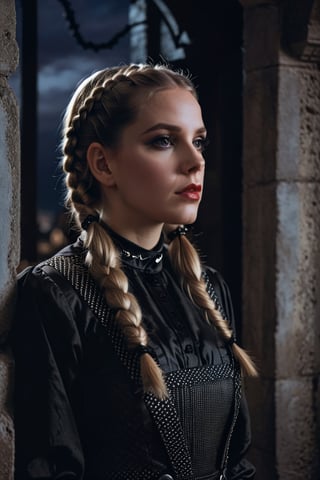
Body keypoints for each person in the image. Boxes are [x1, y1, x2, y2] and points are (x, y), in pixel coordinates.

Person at [11, 63, 257, 480]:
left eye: (199, 142)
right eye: (163, 140)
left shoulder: (209, 290)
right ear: (103, 164)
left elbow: (237, 462)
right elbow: (50, 467)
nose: (194, 162)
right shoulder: (58, 292)